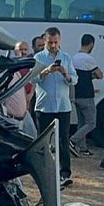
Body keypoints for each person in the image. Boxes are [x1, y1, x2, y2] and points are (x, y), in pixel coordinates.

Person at [34, 27, 76, 188]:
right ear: (44, 41)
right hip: (44, 106)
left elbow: (74, 79)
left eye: (56, 42)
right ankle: (42, 171)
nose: (53, 45)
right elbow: (32, 79)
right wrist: (46, 71)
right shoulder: (38, 57)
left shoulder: (66, 57)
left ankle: (64, 173)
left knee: (63, 140)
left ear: (60, 41)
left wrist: (65, 74)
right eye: (50, 42)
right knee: (42, 141)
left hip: (63, 106)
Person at [70, 34, 104, 156]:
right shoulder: (88, 58)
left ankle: (83, 148)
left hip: (76, 95)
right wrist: (94, 75)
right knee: (91, 123)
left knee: (81, 122)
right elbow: (99, 74)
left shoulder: (74, 58)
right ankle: (72, 140)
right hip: (87, 95)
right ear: (91, 44)